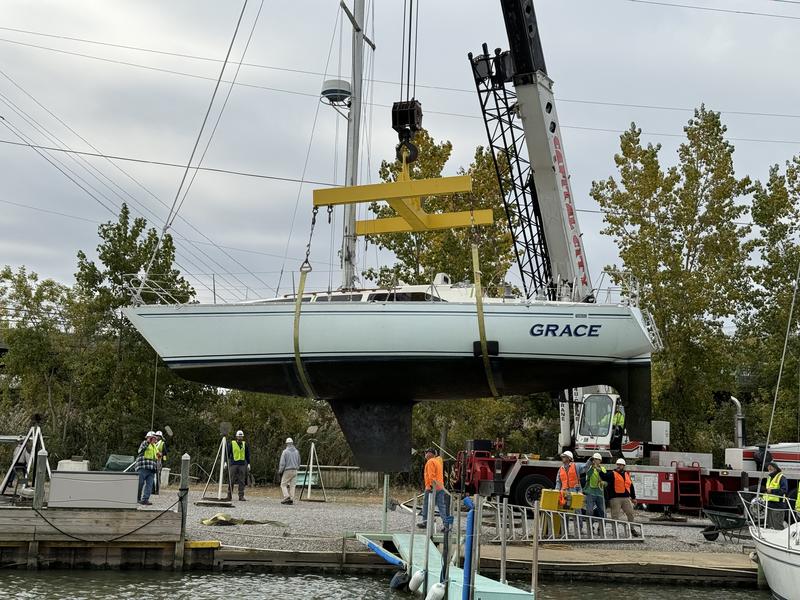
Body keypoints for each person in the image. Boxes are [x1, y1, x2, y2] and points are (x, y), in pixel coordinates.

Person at [418, 449, 451, 532]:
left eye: (426, 453)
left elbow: (431, 476)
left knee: (426, 504)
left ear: (430, 454)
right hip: (440, 487)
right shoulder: (438, 461)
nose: (425, 454)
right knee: (441, 506)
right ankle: (446, 525)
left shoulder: (430, 462)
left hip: (432, 487)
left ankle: (425, 522)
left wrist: (431, 487)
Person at [607, 458, 639, 535]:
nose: (619, 466)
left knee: (630, 513)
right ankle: (615, 531)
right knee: (615, 515)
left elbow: (631, 486)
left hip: (626, 498)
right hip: (615, 498)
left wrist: (633, 498)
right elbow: (604, 477)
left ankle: (632, 529)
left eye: (620, 465)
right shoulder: (612, 474)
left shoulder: (626, 474)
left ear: (623, 466)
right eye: (618, 464)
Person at [135, 431, 160, 506]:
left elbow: (156, 457)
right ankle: (137, 498)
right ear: (148, 438)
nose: (154, 440)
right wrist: (148, 442)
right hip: (143, 467)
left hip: (152, 469)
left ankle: (145, 499)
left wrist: (159, 455)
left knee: (149, 485)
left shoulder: (155, 446)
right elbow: (140, 451)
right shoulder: (144, 443)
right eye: (152, 438)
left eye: (155, 438)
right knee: (140, 483)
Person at [763, 461, 788, 529]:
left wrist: (772, 491)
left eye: (771, 466)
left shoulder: (781, 477)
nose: (769, 468)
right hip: (770, 504)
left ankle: (781, 538)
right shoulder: (769, 478)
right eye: (768, 467)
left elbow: (784, 490)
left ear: (775, 468)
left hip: (778, 505)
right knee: (770, 525)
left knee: (777, 525)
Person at [583, 453, 607, 520]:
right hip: (590, 492)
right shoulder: (590, 468)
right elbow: (588, 473)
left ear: (600, 461)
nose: (595, 461)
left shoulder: (603, 469)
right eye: (594, 459)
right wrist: (592, 467)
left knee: (603, 512)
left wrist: (604, 483)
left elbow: (605, 479)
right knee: (589, 511)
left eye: (597, 459)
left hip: (600, 493)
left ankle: (601, 528)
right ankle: (590, 528)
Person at [228, 430, 251, 501]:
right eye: (239, 436)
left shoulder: (245, 444)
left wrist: (249, 463)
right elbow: (228, 453)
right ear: (236, 436)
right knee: (231, 480)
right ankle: (229, 496)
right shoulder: (232, 443)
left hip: (242, 464)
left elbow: (247, 455)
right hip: (233, 464)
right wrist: (225, 462)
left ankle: (241, 496)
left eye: (241, 436)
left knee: (242, 481)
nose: (240, 437)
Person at [278, 437, 301, 505]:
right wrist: (297, 467)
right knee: (292, 485)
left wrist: (280, 470)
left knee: (283, 484)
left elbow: (282, 463)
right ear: (292, 443)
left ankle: (286, 497)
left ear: (286, 444)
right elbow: (299, 461)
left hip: (287, 470)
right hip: (295, 470)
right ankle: (291, 498)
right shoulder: (297, 451)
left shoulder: (285, 452)